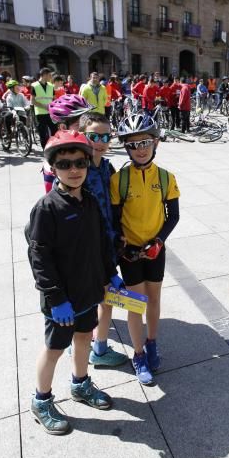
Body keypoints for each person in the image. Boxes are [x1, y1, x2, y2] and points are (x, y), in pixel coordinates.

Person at [26, 130, 124, 434]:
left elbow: (100, 243)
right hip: (62, 300)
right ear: (53, 168)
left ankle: (81, 384)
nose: (73, 170)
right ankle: (41, 400)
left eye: (79, 162)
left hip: (88, 291)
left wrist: (110, 274)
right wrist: (56, 298)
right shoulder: (47, 208)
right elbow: (39, 257)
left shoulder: (90, 201)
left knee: (84, 338)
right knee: (55, 348)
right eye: (65, 164)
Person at [110, 113, 180, 385]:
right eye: (133, 144)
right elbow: (114, 219)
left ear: (156, 143)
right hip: (130, 253)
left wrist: (159, 241)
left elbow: (172, 216)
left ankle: (152, 343)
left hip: (155, 251)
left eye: (145, 143)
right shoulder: (119, 180)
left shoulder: (165, 178)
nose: (140, 149)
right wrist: (121, 243)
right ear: (126, 147)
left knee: (154, 300)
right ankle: (138, 355)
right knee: (134, 304)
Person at [78, 111, 127, 368]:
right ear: (83, 135)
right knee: (96, 301)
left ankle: (97, 345)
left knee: (106, 299)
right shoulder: (77, 169)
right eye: (94, 135)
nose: (100, 140)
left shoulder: (107, 167)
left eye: (105, 136)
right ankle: (91, 350)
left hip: (108, 245)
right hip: (87, 249)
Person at [42, 94, 93, 193]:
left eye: (88, 122)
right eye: (80, 125)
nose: (88, 129)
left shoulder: (86, 143)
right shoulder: (53, 166)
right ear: (63, 128)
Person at [31, 67, 56, 149]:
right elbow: (33, 101)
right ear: (44, 75)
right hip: (40, 113)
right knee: (43, 133)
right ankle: (45, 149)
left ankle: (54, 147)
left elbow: (54, 99)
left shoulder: (51, 86)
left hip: (51, 112)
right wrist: (44, 106)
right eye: (49, 75)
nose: (51, 77)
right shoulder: (34, 85)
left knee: (54, 131)